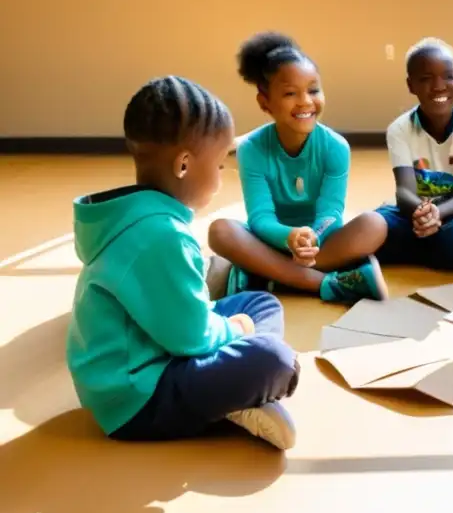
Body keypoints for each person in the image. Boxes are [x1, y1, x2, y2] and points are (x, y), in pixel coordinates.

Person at [67, 76, 300, 450]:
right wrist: (234, 330)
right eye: (221, 164)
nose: (223, 176)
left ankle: (230, 388)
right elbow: (190, 337)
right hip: (136, 397)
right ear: (184, 165)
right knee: (275, 359)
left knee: (262, 303)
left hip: (147, 354)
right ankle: (235, 400)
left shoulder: (132, 213)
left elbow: (178, 315)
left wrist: (229, 324)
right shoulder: (161, 235)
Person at [208, 32, 388, 303]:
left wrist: (310, 240)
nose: (305, 101)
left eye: (313, 90)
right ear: (264, 102)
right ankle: (326, 283)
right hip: (271, 239)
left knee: (375, 224)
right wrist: (289, 237)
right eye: (291, 93)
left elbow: (331, 212)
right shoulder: (252, 149)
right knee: (220, 231)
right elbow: (260, 218)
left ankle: (267, 275)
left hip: (321, 243)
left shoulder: (336, 147)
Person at [374, 38, 453, 270]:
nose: (439, 86)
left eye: (448, 76)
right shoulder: (399, 129)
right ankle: (446, 251)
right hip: (413, 212)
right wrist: (423, 214)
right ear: (411, 86)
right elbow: (404, 191)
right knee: (370, 226)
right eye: (426, 79)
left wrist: (438, 213)